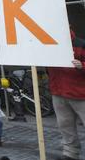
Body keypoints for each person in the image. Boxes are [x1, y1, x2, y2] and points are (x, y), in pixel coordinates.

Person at [47, 30, 85, 160]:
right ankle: (70, 153)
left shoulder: (80, 44)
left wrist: (83, 65)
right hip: (59, 93)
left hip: (80, 94)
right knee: (65, 126)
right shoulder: (49, 44)